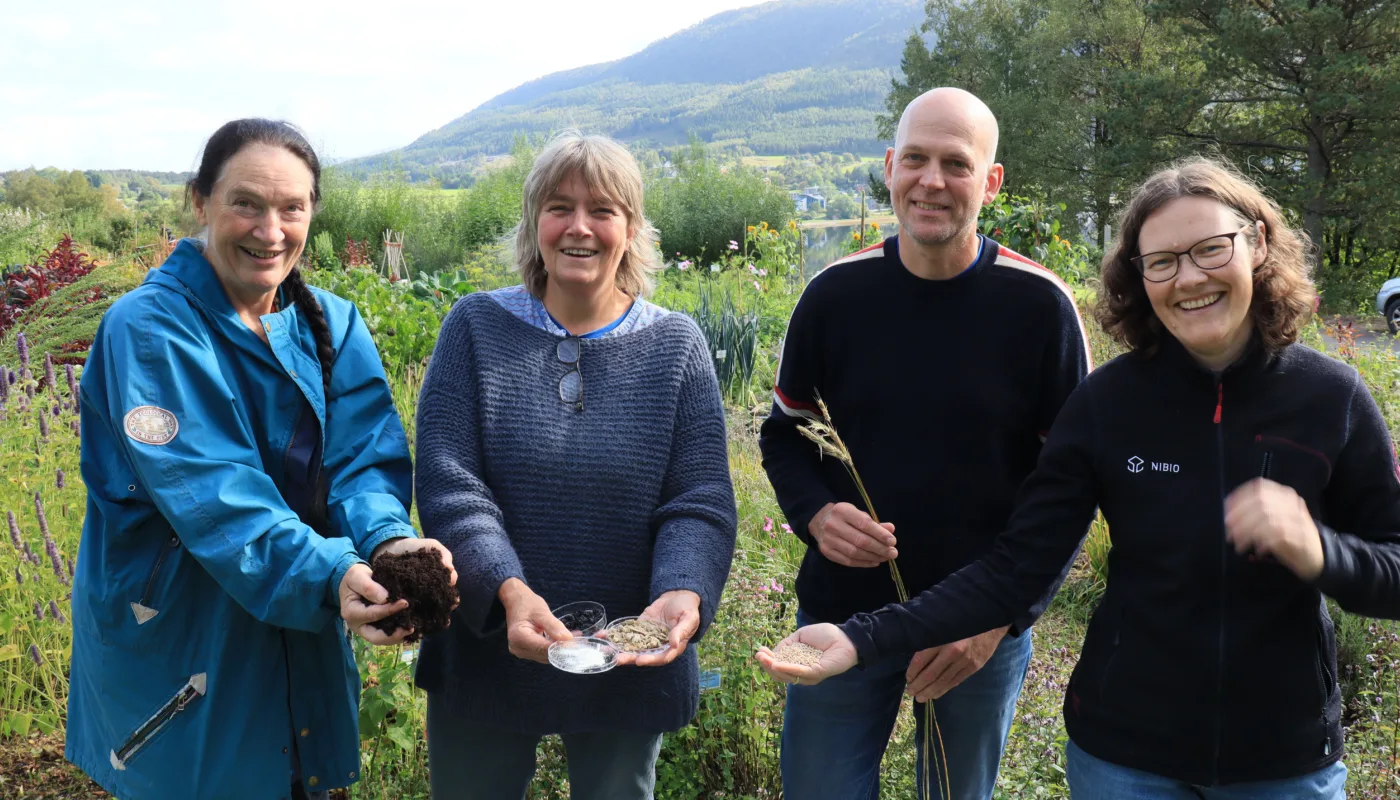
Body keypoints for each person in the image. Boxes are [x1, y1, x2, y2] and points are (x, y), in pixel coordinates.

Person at [759, 156, 1400, 799]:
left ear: (1257, 243)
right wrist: (857, 638)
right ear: (1139, 276)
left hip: (1285, 762)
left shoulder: (1331, 398)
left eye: (1210, 249)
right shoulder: (1110, 405)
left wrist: (1321, 550)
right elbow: (1017, 565)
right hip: (1125, 760)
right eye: (1162, 261)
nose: (1188, 278)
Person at [65, 119, 455, 800]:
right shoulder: (149, 331)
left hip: (297, 618)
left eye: (291, 208)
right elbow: (216, 496)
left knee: (296, 775)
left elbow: (363, 458)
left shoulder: (331, 323)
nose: (269, 230)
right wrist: (334, 572)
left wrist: (390, 545)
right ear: (201, 202)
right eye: (246, 202)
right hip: (185, 635)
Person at [757, 87, 1092, 799]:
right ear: (889, 167)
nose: (931, 181)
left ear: (991, 182)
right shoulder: (834, 297)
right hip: (838, 617)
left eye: (955, 164)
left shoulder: (1040, 308)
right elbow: (785, 435)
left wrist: (1002, 618)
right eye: (915, 159)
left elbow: (1072, 491)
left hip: (975, 632)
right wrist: (814, 513)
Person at [413, 130, 738, 800]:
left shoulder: (677, 347)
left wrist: (684, 589)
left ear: (632, 228)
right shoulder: (473, 329)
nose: (579, 228)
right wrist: (505, 590)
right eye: (559, 207)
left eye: (603, 210)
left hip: (627, 651)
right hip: (490, 643)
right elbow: (451, 483)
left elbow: (698, 497)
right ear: (534, 224)